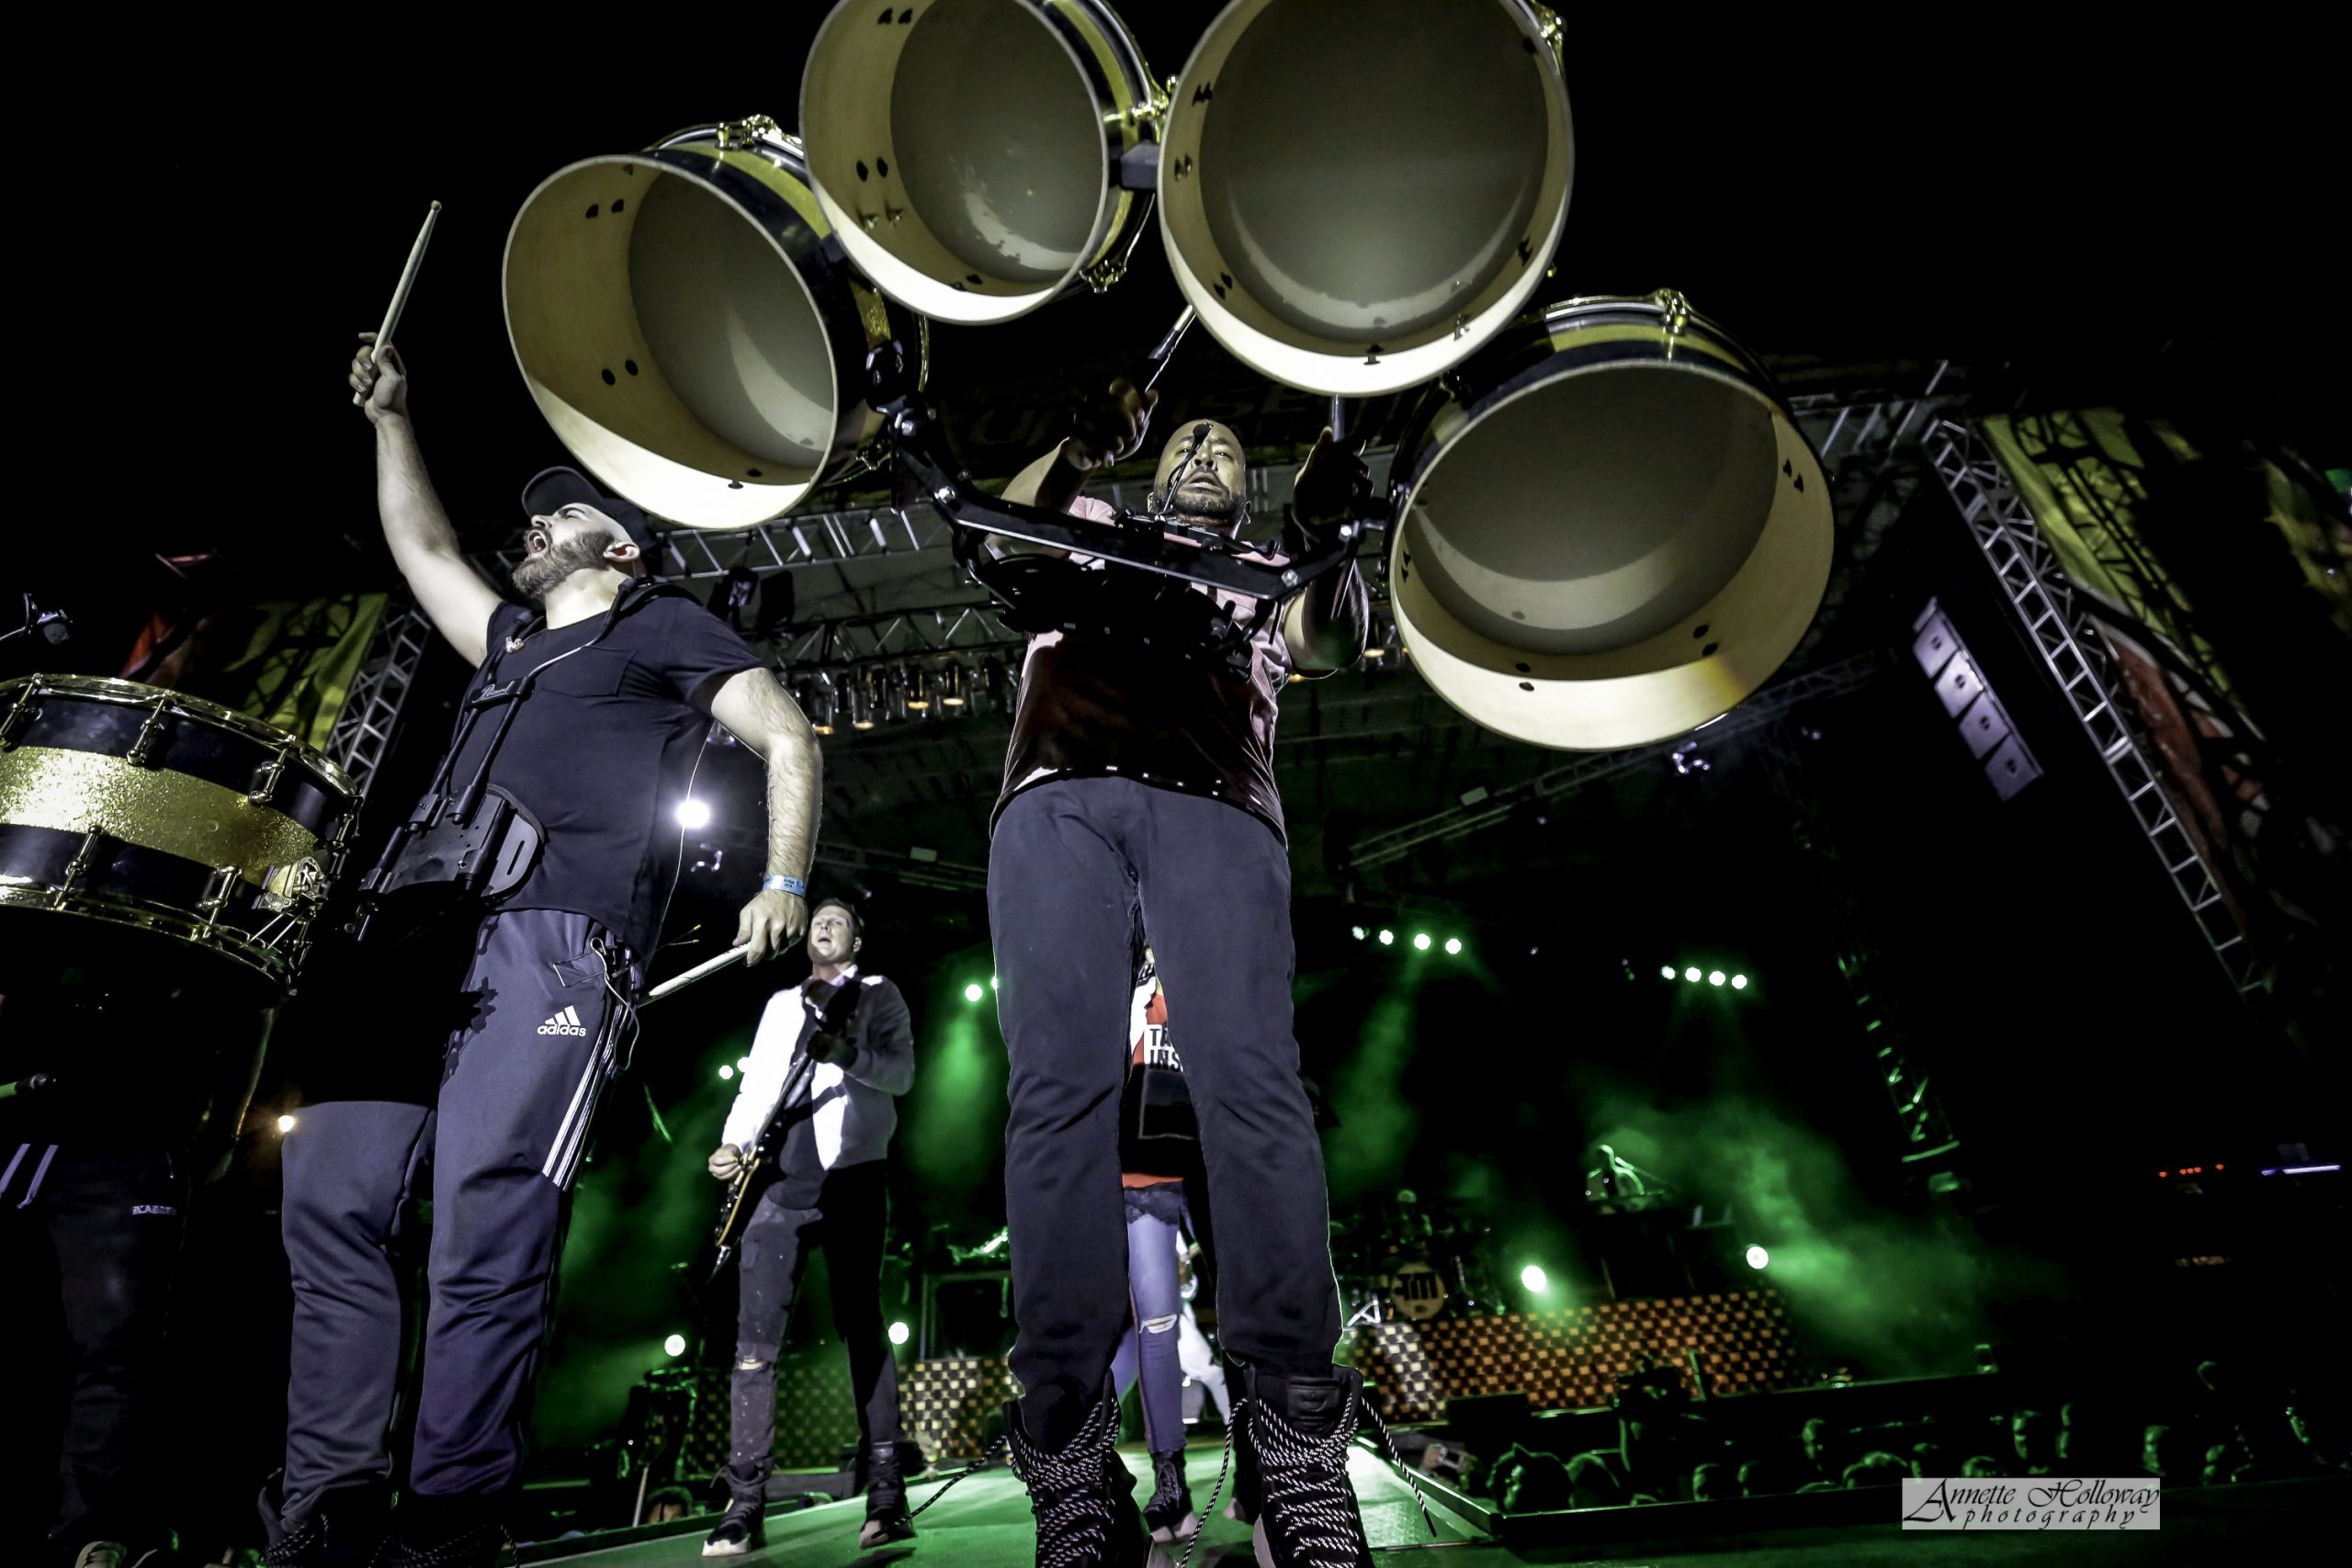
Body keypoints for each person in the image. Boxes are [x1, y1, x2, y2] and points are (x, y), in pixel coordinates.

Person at [260, 337, 822, 1568]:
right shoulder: (511, 641)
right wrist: (392, 419)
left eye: (553, 516)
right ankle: (331, 1497)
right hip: (411, 934)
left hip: (553, 941)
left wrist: (783, 879)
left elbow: (786, 732)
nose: (529, 530)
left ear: (613, 543)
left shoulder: (663, 624)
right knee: (332, 1201)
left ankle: (452, 1513)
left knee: (487, 1216)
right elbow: (422, 551)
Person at [981, 377, 1373, 1566]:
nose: (1205, 445)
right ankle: (1069, 1455)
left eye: (1225, 444)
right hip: (1061, 788)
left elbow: (1335, 638)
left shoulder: (1259, 567)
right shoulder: (1091, 528)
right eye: (1186, 437)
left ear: (1245, 486)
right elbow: (996, 541)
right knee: (1058, 1096)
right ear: (1151, 468)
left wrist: (1325, 535)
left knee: (1256, 1083)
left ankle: (1298, 1444)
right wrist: (1069, 437)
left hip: (1218, 796)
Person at [698, 899, 916, 1557]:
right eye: (817, 919)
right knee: (754, 1344)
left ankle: (886, 1495)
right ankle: (743, 1503)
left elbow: (901, 1074)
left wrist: (846, 1052)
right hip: (777, 1185)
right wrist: (730, 1144)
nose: (824, 925)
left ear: (856, 937)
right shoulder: (778, 1005)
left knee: (861, 1325)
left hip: (852, 1177)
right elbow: (756, 1084)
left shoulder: (879, 994)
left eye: (838, 920)